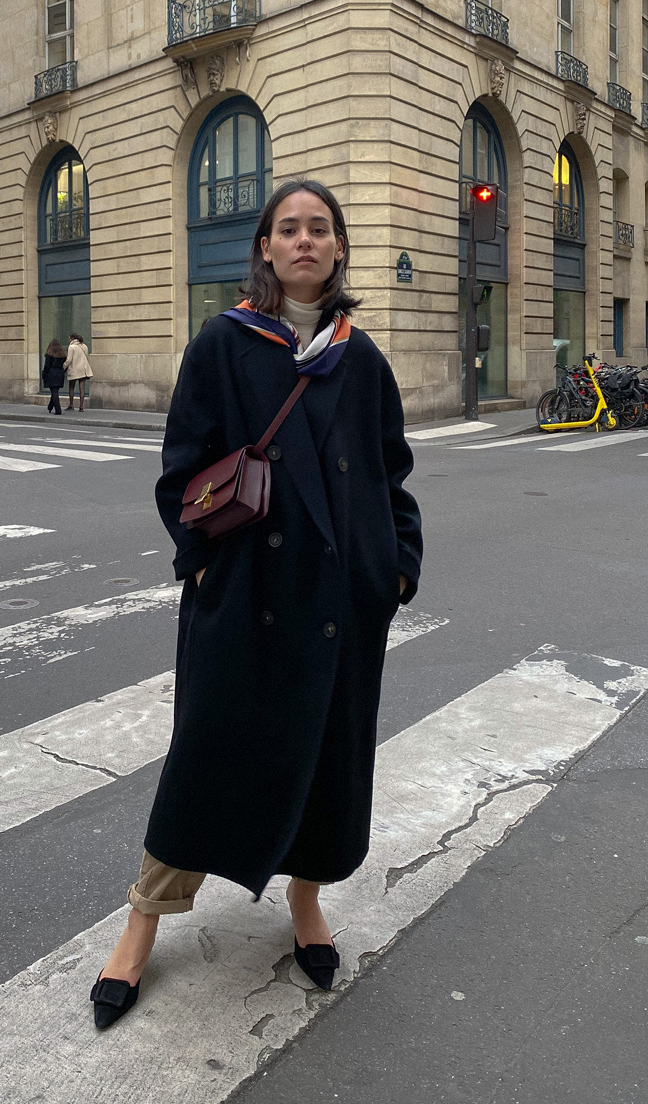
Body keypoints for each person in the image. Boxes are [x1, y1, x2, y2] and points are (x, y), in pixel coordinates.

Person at [90, 179, 423, 1029]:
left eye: (319, 228)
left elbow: (393, 479)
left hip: (339, 608)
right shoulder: (224, 343)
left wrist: (396, 570)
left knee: (325, 765)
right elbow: (180, 472)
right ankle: (142, 921)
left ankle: (305, 901)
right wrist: (205, 569)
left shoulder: (363, 359)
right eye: (288, 229)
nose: (305, 241)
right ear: (267, 250)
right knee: (205, 762)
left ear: (339, 248)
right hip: (247, 600)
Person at [62, 333, 92, 411]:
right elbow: (87, 357)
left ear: (72, 339)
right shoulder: (84, 346)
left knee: (71, 387)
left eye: (69, 339)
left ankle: (71, 405)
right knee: (82, 388)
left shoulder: (72, 347)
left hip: (74, 369)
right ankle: (81, 407)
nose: (69, 340)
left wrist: (64, 366)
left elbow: (69, 360)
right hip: (83, 369)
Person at [41, 339, 67, 415]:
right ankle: (50, 406)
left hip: (51, 374)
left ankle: (58, 410)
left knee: (54, 391)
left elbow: (47, 366)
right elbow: (65, 365)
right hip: (59, 374)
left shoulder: (49, 355)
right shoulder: (62, 355)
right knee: (55, 391)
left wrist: (44, 374)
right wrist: (62, 372)